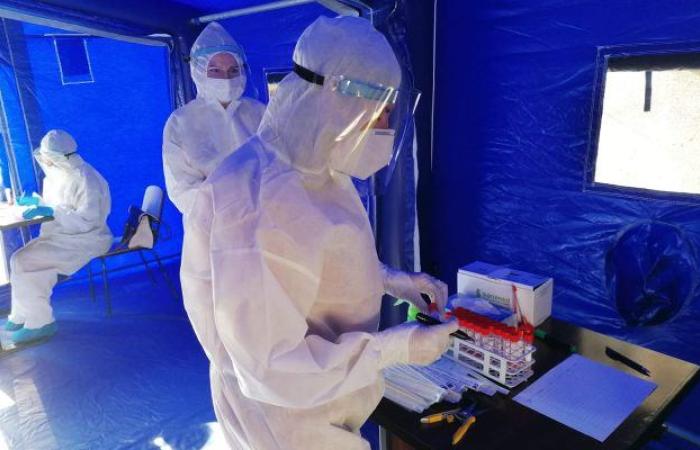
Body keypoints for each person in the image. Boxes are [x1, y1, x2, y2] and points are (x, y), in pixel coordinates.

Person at [180, 16, 457, 450]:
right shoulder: (263, 203)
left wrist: (391, 281)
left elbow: (320, 264)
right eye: (380, 111)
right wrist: (394, 349)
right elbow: (271, 367)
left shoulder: (315, 166)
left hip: (323, 399)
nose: (384, 127)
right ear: (336, 101)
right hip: (286, 418)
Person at [4, 129, 112, 344]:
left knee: (25, 261)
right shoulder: (58, 174)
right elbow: (59, 206)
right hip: (64, 237)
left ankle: (41, 322)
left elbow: (86, 221)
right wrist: (38, 203)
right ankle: (22, 314)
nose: (45, 161)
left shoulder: (87, 178)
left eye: (48, 157)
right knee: (17, 259)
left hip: (87, 239)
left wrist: (50, 212)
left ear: (57, 157)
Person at [162, 21, 265, 216]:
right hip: (211, 225)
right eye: (215, 70)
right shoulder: (181, 122)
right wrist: (231, 207)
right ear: (198, 71)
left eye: (233, 70)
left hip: (265, 218)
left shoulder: (258, 112)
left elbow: (278, 163)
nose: (226, 79)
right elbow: (182, 188)